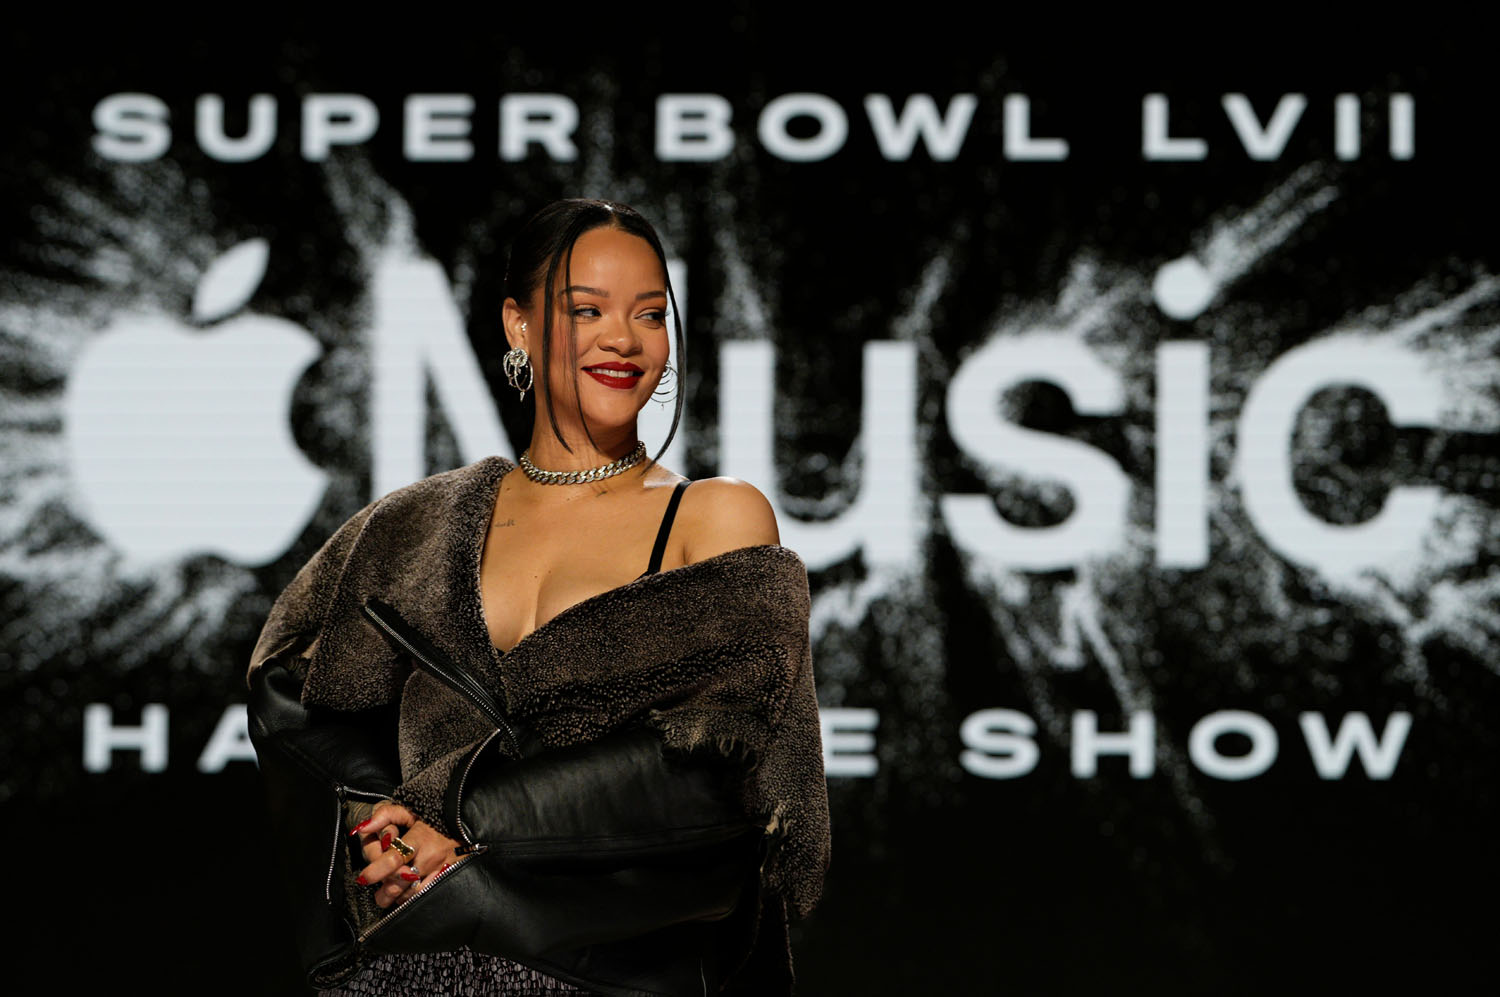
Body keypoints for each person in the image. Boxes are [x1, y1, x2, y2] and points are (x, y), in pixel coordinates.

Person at [247, 199, 830, 996]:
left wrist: (461, 821)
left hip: (610, 969)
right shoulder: (417, 523)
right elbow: (295, 692)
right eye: (586, 309)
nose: (622, 339)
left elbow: (715, 771)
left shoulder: (713, 515)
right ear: (518, 325)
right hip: (415, 963)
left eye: (650, 314)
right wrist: (380, 823)